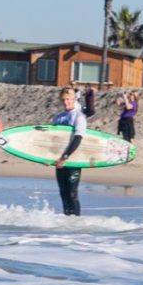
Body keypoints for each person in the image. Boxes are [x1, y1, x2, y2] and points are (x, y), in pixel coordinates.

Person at [50, 86, 87, 216]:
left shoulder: (79, 116)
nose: (66, 102)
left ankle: (76, 222)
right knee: (63, 192)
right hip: (59, 160)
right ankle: (68, 222)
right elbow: (52, 141)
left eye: (69, 99)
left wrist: (64, 157)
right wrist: (46, 158)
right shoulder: (58, 118)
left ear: (74, 99)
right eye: (64, 100)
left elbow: (77, 138)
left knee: (72, 192)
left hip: (73, 160)